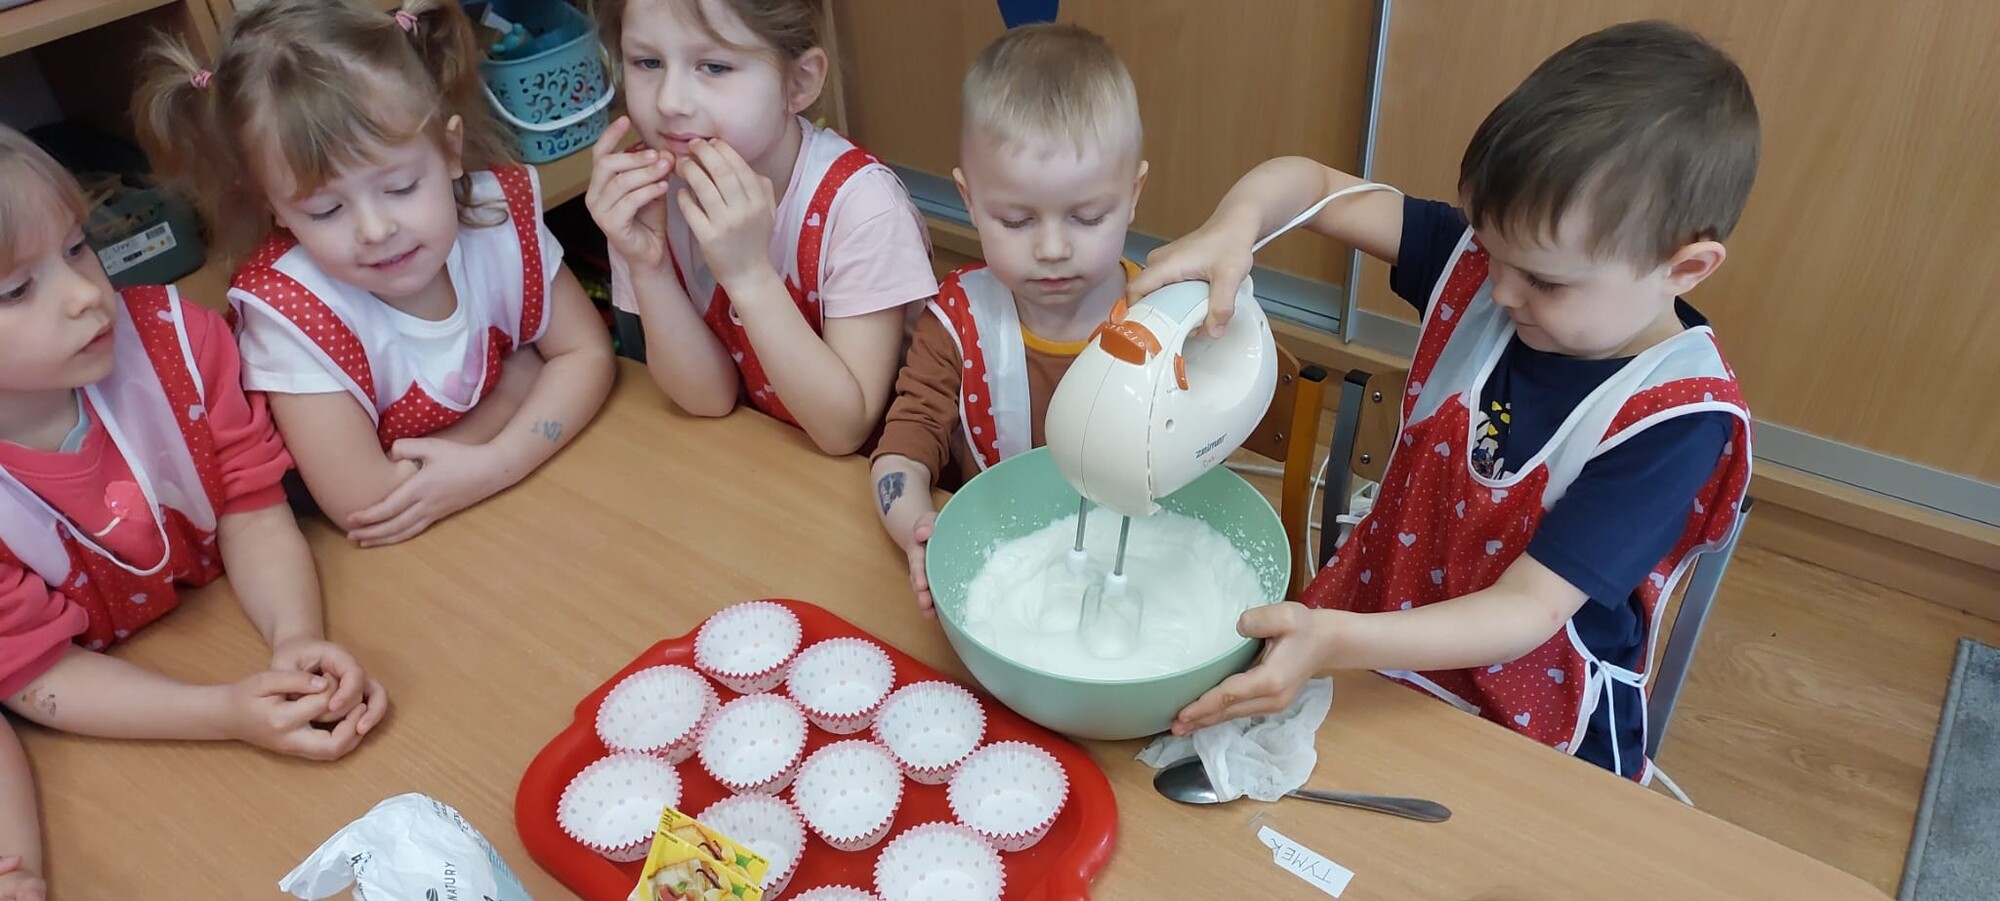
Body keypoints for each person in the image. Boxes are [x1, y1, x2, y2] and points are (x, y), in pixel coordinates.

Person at [1138, 20, 1758, 780]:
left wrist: (1336, 641)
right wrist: (1234, 227)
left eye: (1544, 280)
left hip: (1524, 711)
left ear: (1685, 267)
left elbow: (1526, 609)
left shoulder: (1674, 421)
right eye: (1491, 252)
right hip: (1373, 632)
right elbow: (1310, 185)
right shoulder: (1495, 266)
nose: (1499, 292)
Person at [0, 127, 387, 896]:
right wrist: (223, 713)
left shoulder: (176, 344)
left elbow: (251, 508)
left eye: (78, 248)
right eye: (16, 290)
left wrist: (295, 636)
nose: (86, 295)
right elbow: (35, 672)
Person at [134, 0, 615, 547]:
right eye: (325, 211)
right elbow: (367, 505)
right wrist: (518, 388)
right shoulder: (291, 314)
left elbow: (588, 354)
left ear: (450, 150)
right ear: (275, 209)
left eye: (400, 187)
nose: (375, 229)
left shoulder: (493, 218)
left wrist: (499, 462)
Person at [868, 23, 1149, 612]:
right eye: (1016, 221)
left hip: (1131, 574)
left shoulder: (1160, 318)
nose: (1052, 248)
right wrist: (918, 528)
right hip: (1004, 582)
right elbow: (901, 451)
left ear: (1133, 195)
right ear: (969, 201)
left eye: (1088, 217)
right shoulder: (958, 323)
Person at [586, 0, 937, 455]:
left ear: (799, 82)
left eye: (714, 67)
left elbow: (844, 431)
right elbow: (708, 398)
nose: (669, 101)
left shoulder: (862, 208)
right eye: (647, 62)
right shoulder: (644, 192)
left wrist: (749, 274)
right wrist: (647, 266)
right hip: (753, 458)